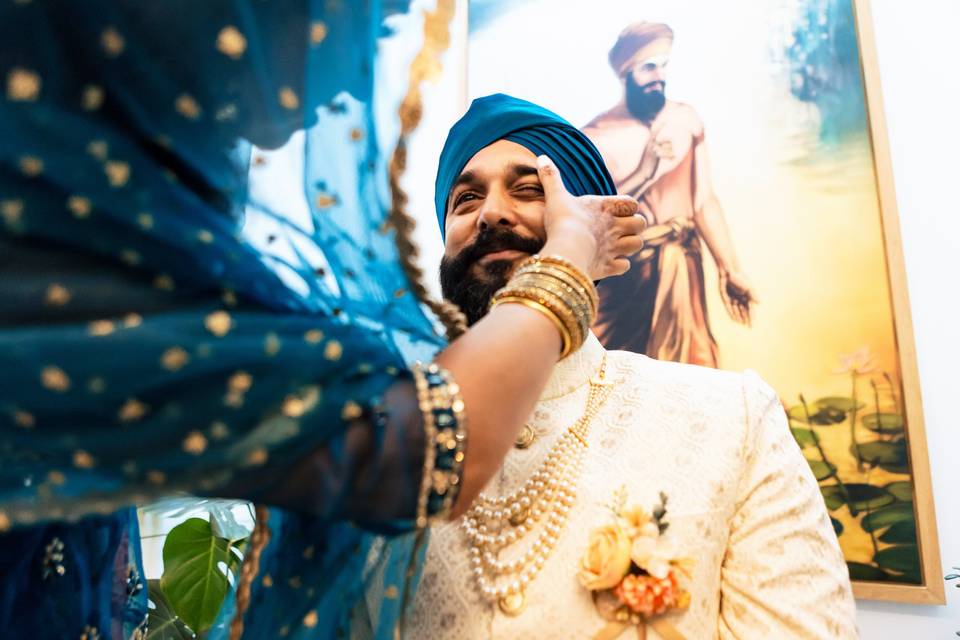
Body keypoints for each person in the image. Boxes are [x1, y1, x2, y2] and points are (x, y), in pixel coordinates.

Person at [0, 3, 642, 639]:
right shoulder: (72, 220)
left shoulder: (727, 415)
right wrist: (567, 258)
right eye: (369, 21)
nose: (353, 67)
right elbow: (414, 450)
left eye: (531, 189)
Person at [384, 94, 858, 639]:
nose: (491, 212)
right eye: (465, 199)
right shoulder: (394, 434)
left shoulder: (734, 419)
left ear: (594, 227)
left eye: (530, 189)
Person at [583, 22, 756, 368]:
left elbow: (703, 201)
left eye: (663, 65)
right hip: (629, 279)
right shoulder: (596, 135)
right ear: (625, 72)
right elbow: (594, 218)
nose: (658, 75)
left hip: (683, 266)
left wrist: (729, 269)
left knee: (693, 369)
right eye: (648, 66)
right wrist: (646, 171)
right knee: (624, 373)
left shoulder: (685, 119)